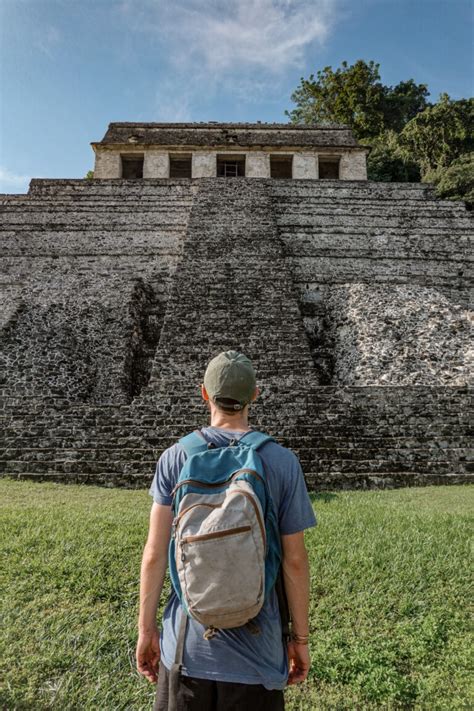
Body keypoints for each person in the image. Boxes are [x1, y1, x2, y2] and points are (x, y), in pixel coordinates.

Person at [137, 350, 317, 710]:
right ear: (255, 395)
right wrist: (300, 639)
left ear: (203, 394)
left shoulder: (176, 457)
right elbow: (294, 562)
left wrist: (146, 631)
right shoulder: (281, 462)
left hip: (187, 647)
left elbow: (155, 553)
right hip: (258, 651)